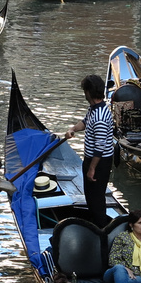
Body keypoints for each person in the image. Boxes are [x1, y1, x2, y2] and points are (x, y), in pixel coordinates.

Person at [60, 74, 115, 226]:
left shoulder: (101, 117)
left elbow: (100, 147)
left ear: (89, 92)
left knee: (96, 199)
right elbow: (85, 122)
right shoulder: (94, 109)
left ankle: (101, 230)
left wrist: (92, 169)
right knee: (91, 197)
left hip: (99, 162)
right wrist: (73, 129)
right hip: (93, 160)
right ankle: (95, 223)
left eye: (85, 91)